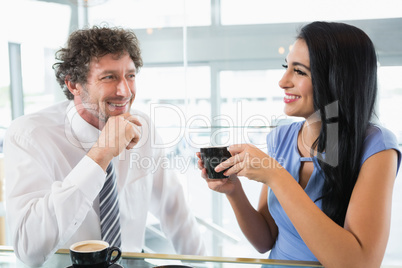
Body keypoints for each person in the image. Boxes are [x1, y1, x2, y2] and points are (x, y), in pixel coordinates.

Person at [197, 21, 401, 267]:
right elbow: (265, 240)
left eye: (300, 71)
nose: (283, 82)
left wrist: (276, 175)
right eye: (286, 67)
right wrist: (234, 192)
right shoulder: (281, 138)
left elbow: (359, 263)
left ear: (337, 80)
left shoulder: (377, 147)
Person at [4, 25, 206, 267]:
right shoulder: (30, 135)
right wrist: (100, 154)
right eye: (109, 77)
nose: (124, 91)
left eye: (130, 76)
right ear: (73, 84)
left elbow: (175, 212)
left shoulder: (144, 127)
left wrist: (203, 264)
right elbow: (28, 247)